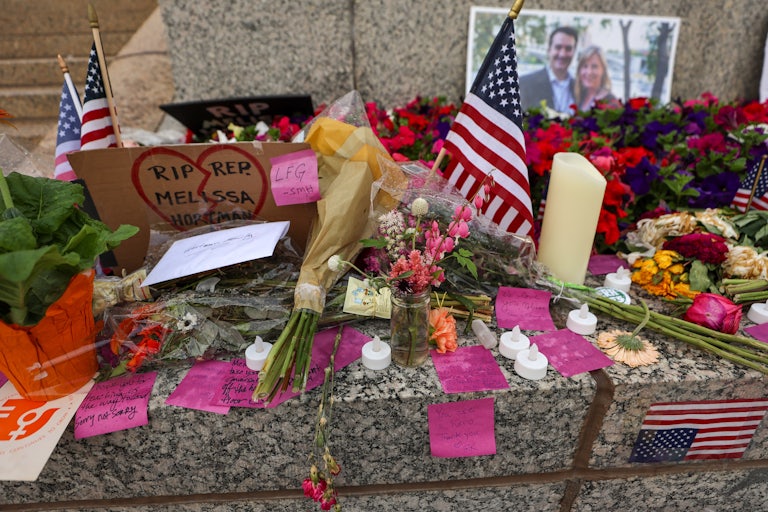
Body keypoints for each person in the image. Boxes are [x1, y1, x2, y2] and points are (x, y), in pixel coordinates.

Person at [519, 26, 579, 113]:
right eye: (558, 47)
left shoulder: (580, 88)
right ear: (549, 50)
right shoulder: (524, 84)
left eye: (568, 49)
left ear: (574, 52)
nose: (562, 54)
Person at [574, 45, 618, 111]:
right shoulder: (580, 95)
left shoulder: (610, 102)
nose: (589, 72)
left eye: (594, 67)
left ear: (603, 70)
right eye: (585, 66)